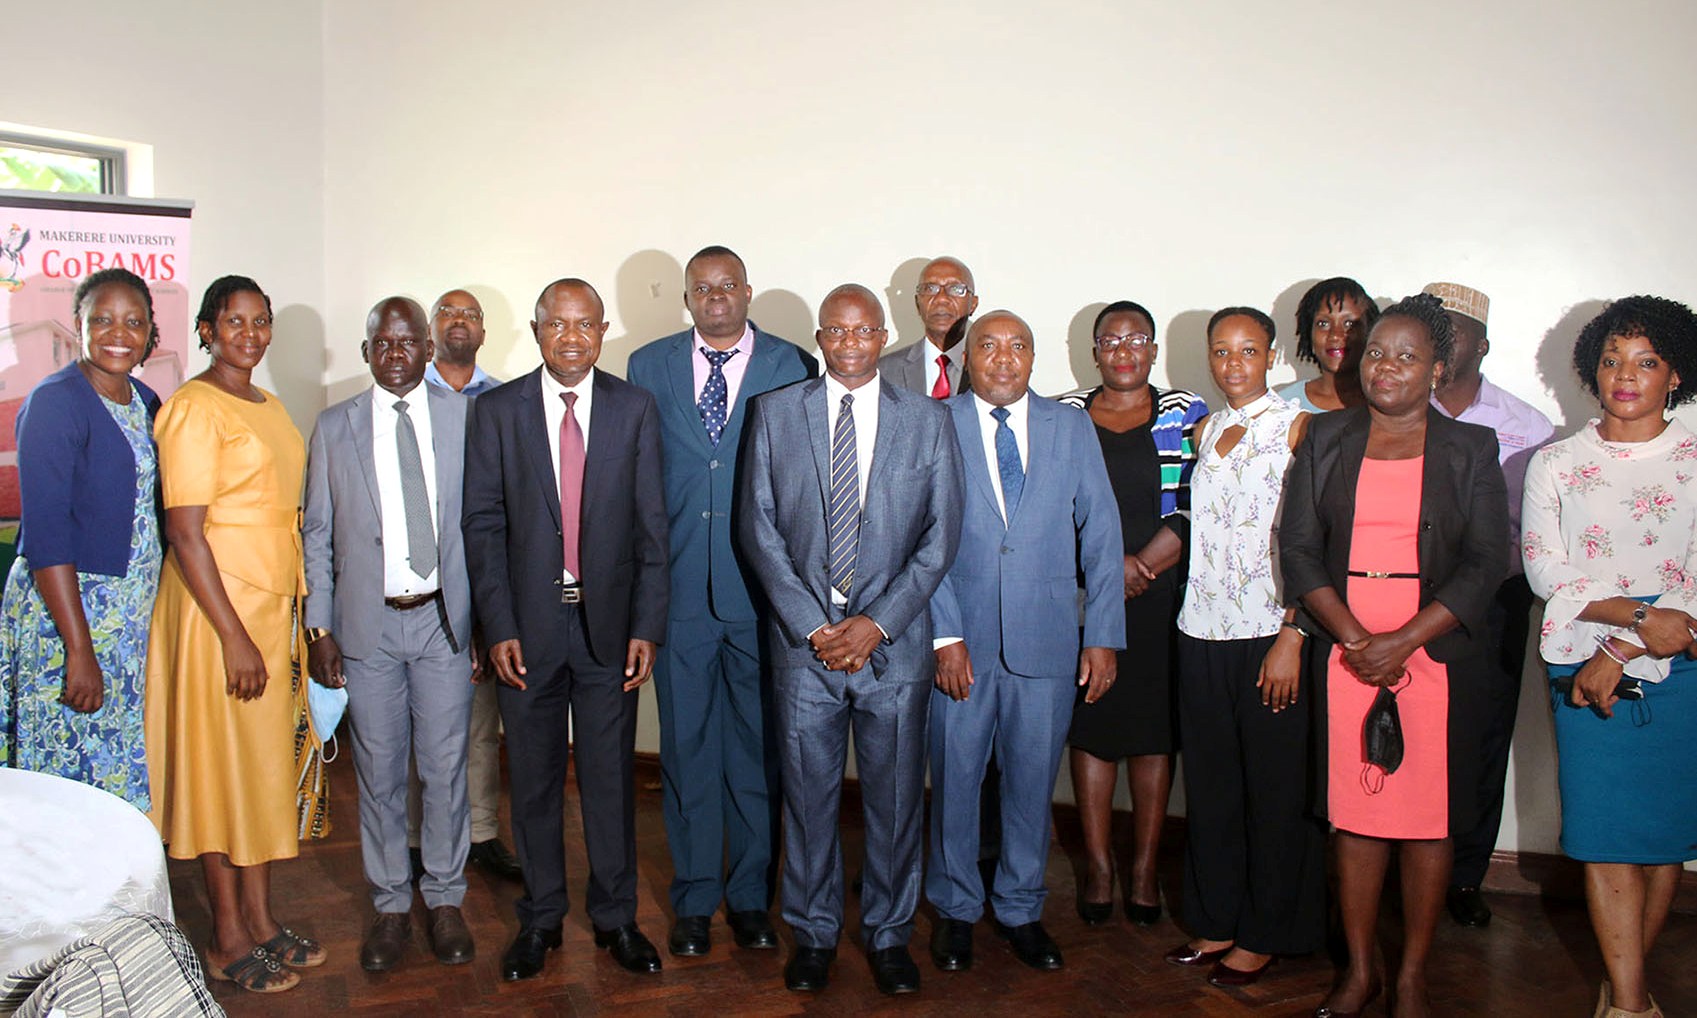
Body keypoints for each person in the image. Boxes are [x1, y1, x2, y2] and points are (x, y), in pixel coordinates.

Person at [1280, 293, 1508, 1018]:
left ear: (1437, 369)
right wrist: (1353, 640)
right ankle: (1359, 971)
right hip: (1347, 645)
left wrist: (1403, 642)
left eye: (1407, 356)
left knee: (1426, 820)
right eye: (1376, 350)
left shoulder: (1469, 448)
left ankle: (1410, 974)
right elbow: (1298, 548)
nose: (1387, 367)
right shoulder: (1324, 437)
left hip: (1432, 652)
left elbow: (1484, 560)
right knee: (1354, 815)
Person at [737, 283, 962, 995]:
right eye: (836, 331)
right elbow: (759, 529)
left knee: (895, 803)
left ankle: (890, 935)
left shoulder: (925, 421)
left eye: (863, 332)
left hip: (890, 645)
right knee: (807, 800)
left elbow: (940, 536)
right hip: (804, 647)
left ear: (882, 333)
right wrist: (813, 625)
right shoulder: (774, 415)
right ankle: (813, 934)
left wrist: (874, 624)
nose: (850, 344)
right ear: (819, 337)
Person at [461, 278, 669, 981]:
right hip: (527, 631)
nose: (571, 337)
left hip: (611, 629)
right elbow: (483, 525)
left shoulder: (634, 408)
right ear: (537, 328)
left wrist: (647, 624)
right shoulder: (496, 412)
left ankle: (616, 918)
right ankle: (541, 918)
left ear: (602, 330)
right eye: (558, 324)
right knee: (536, 781)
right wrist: (496, 626)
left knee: (610, 779)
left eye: (585, 325)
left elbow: (651, 527)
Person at [626, 246, 815, 958]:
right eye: (701, 289)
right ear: (685, 298)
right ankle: (695, 898)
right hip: (676, 595)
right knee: (687, 750)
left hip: (762, 594)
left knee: (758, 751)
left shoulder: (791, 364)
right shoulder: (648, 366)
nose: (715, 298)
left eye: (726, 286)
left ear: (746, 291)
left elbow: (803, 487)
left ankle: (749, 898)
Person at [926, 311, 1124, 974]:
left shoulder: (1069, 427)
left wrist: (1100, 635)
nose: (1004, 360)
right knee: (954, 781)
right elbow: (918, 541)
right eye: (989, 346)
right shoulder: (936, 426)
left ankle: (1018, 908)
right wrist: (944, 634)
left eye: (1017, 347)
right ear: (966, 358)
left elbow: (1099, 535)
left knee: (1031, 785)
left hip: (1046, 642)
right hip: (962, 645)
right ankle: (954, 910)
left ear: (1033, 358)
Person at [145, 275, 324, 994]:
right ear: (207, 330)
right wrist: (234, 637)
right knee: (221, 772)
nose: (248, 334)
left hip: (268, 606)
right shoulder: (192, 408)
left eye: (260, 321)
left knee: (261, 772)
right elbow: (186, 535)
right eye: (233, 322)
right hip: (216, 615)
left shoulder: (269, 405)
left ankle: (263, 919)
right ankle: (225, 934)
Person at [1521, 295, 1697, 1018]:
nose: (1624, 375)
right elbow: (1544, 567)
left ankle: (1623, 986)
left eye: (1644, 361)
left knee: (1661, 840)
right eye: (1611, 358)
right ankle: (1628, 1002)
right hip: (1580, 667)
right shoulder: (1556, 462)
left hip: (1680, 668)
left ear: (1674, 376)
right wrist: (1637, 620)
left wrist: (1626, 643)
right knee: (1604, 836)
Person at [301, 297, 477, 971]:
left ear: (429, 349)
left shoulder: (465, 420)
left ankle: (446, 900)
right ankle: (389, 908)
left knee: (444, 770)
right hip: (366, 630)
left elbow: (485, 528)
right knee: (377, 776)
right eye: (384, 342)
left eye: (409, 341)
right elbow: (316, 535)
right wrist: (319, 627)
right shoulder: (333, 427)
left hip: (442, 625)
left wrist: (485, 627)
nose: (396, 352)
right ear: (366, 350)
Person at [1166, 307, 1322, 987]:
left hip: (1269, 634)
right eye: (1221, 352)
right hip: (1199, 631)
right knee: (1212, 789)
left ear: (1271, 355)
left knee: (1273, 791)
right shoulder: (1204, 429)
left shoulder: (1296, 426)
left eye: (1247, 351)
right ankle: (1217, 918)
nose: (1233, 364)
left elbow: (1314, 541)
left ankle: (1266, 929)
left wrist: (1294, 630)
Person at [1055, 299, 1205, 927]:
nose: (1123, 351)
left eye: (1135, 339)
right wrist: (1104, 568)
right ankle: (1098, 864)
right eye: (1110, 341)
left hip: (1159, 595)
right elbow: (1045, 504)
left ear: (1152, 350)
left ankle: (1143, 866)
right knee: (1092, 727)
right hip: (1084, 596)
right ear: (1095, 352)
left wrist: (1141, 564)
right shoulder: (1062, 415)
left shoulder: (1184, 412)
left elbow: (1201, 498)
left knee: (1152, 732)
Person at [1, 268, 162, 808]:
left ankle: (113, 892)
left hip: (127, 622)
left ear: (149, 332)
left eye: (133, 321)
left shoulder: (146, 400)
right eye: (103, 320)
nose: (119, 333)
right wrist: (79, 650)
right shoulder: (55, 402)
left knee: (117, 772)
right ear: (79, 326)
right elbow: (47, 538)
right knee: (69, 784)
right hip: (69, 619)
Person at [1421, 281, 1555, 928]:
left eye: (1455, 333)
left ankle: (1464, 877)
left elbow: (1524, 532)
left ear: (1484, 345)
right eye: (1432, 332)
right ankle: (1399, 866)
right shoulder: (1391, 404)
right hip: (1396, 605)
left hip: (1487, 609)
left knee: (1477, 741)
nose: (1442, 345)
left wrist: (1460, 592)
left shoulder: (1524, 427)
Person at [406, 287, 522, 883]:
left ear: (483, 332)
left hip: (484, 579)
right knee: (420, 724)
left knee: (481, 724)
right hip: (419, 581)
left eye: (471, 315)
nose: (460, 322)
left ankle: (480, 832)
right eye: (449, 312)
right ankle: (415, 839)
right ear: (430, 331)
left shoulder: (505, 401)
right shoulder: (403, 396)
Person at [1277, 277, 1380, 413]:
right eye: (1323, 324)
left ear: (1370, 330)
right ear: (1309, 332)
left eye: (1349, 323)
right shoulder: (1282, 406)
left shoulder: (1387, 402)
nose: (1335, 335)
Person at [880, 255, 977, 397]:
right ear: (917, 304)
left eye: (955, 289)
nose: (941, 299)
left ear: (973, 304)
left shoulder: (991, 368)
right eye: (930, 288)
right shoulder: (884, 370)